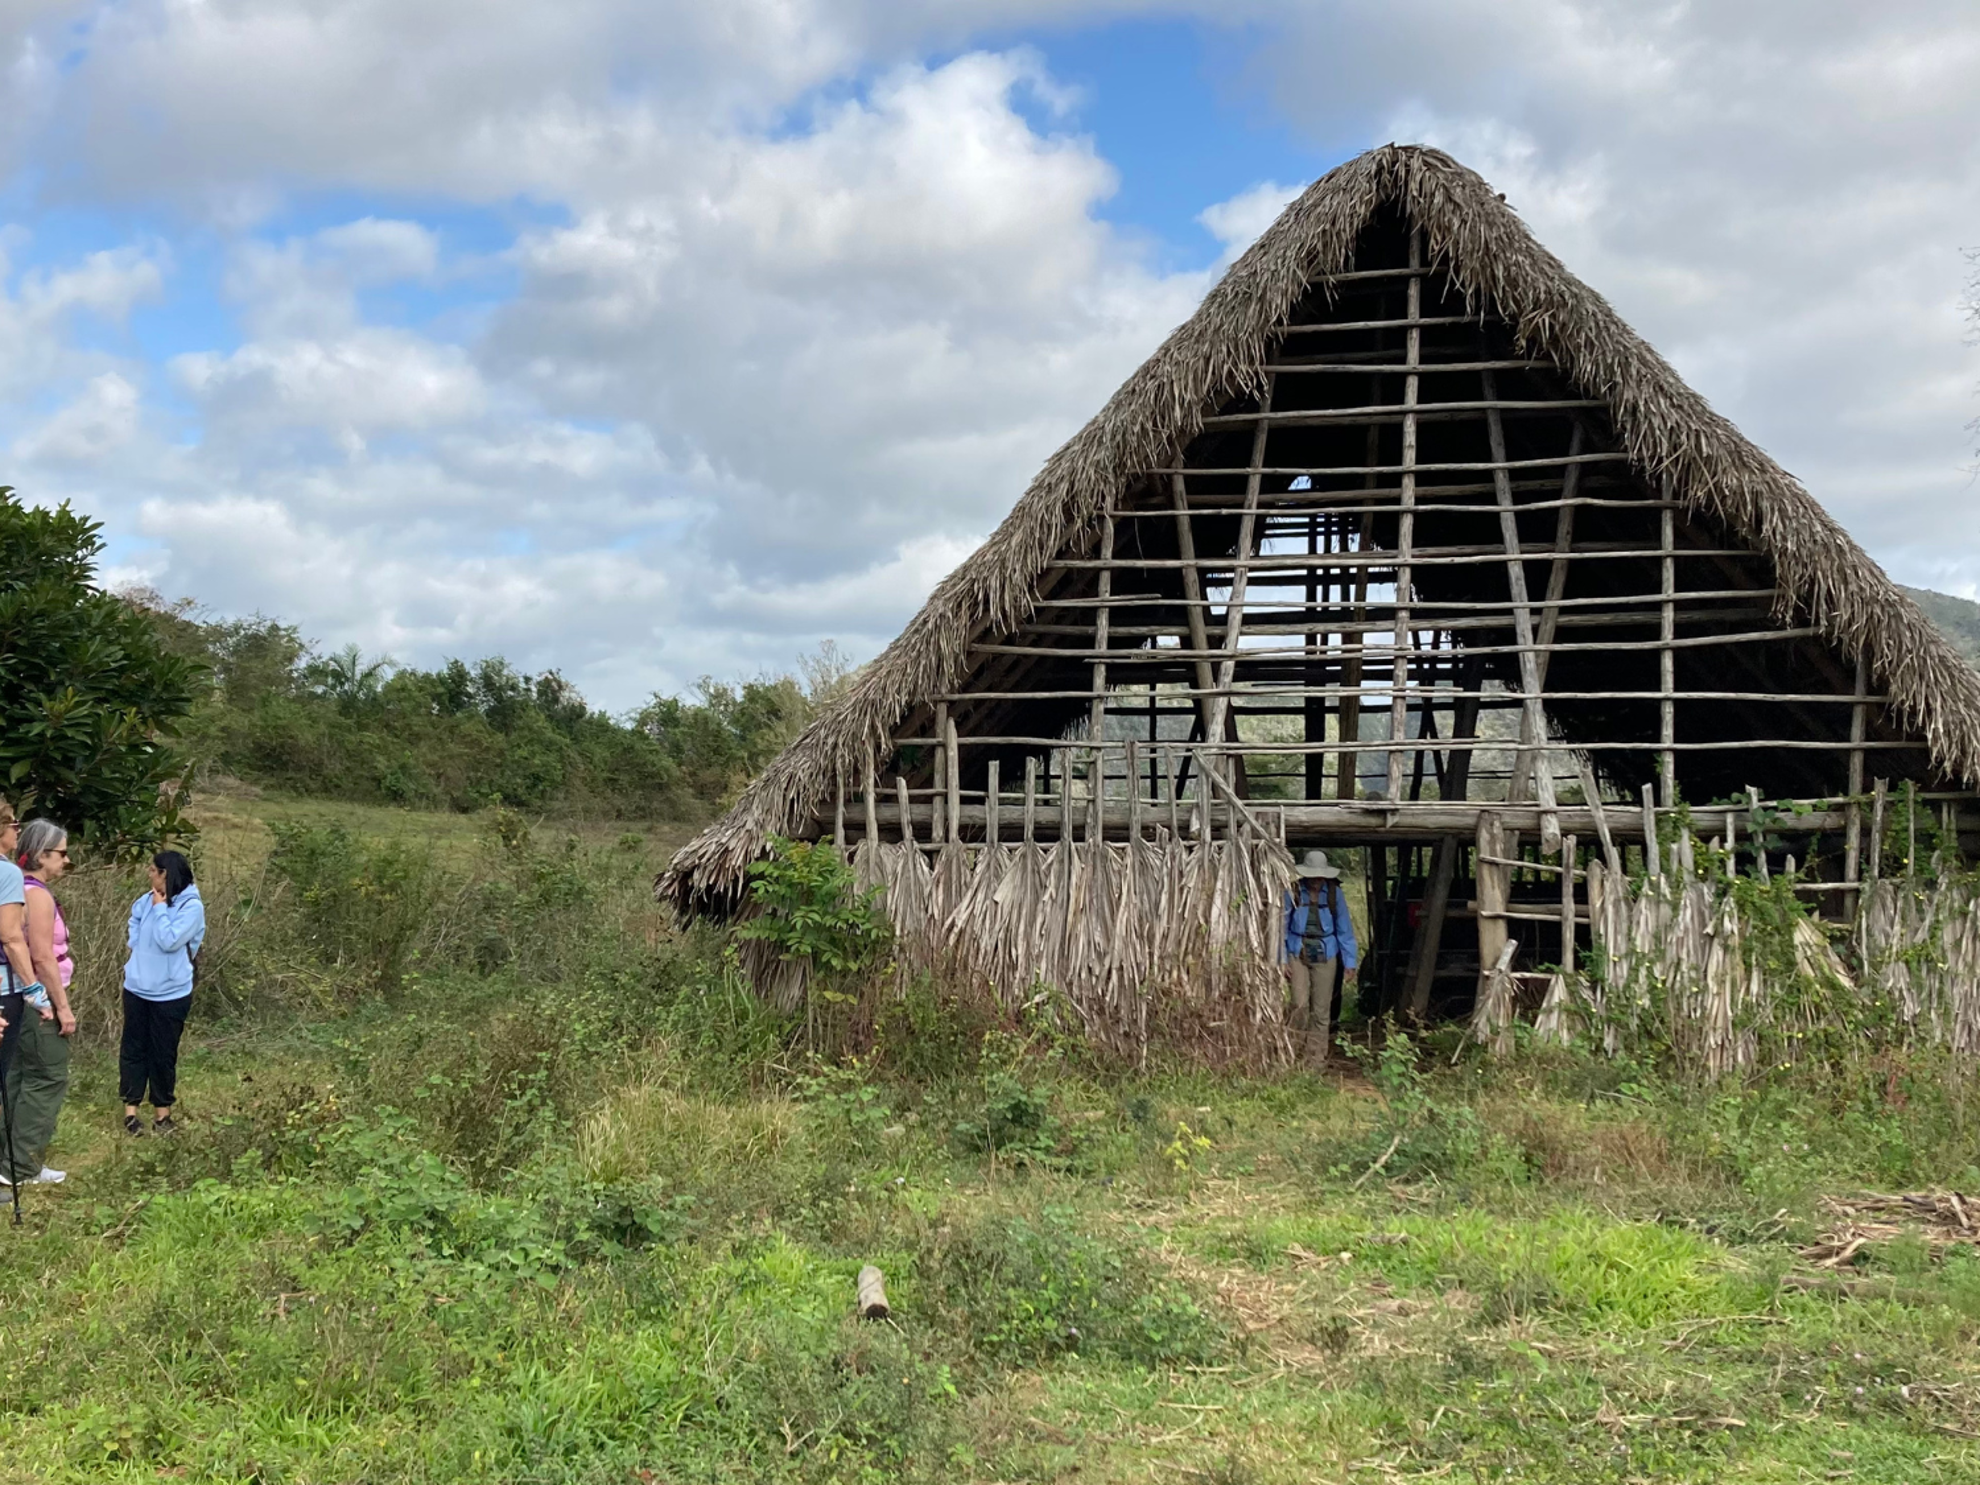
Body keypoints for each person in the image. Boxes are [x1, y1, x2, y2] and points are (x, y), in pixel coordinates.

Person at [2, 819, 76, 1188]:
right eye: (61, 853)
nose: (66, 860)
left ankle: (10, 1160)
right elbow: (43, 956)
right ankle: (22, 1164)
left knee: (18, 1075)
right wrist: (61, 1007)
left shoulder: (20, 886)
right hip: (40, 999)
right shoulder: (37, 894)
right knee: (46, 1075)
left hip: (23, 996)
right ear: (43, 854)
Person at [121, 849, 204, 1136]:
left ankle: (162, 1115)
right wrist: (138, 943)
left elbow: (170, 940)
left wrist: (160, 910)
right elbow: (134, 922)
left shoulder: (191, 907)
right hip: (136, 988)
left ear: (165, 874)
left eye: (153, 870)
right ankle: (130, 1112)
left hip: (170, 994)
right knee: (133, 1049)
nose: (148, 873)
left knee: (162, 1053)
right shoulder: (145, 900)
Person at [1280, 848, 1358, 1065]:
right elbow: (1281, 927)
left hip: (1327, 953)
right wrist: (1282, 958)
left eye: (1320, 876)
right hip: (1297, 951)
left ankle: (1316, 1059)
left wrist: (1350, 962)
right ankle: (1293, 1053)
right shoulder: (1292, 891)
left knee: (1321, 1010)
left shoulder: (1334, 893)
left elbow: (1344, 929)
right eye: (1313, 876)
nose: (1316, 881)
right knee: (1299, 1005)